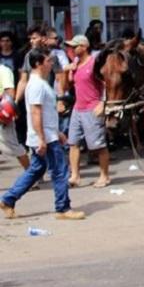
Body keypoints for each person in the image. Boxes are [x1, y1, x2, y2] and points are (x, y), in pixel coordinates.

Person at [0, 49, 85, 220]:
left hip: (47, 134)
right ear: (38, 63)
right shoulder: (37, 85)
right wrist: (42, 138)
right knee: (60, 171)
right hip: (45, 137)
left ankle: (8, 199)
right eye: (48, 60)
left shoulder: (40, 83)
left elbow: (46, 114)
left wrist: (57, 132)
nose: (51, 63)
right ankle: (63, 208)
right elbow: (35, 113)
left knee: (36, 170)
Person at [64, 35, 111, 188]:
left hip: (92, 107)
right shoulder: (75, 63)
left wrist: (103, 103)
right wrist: (67, 72)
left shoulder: (94, 63)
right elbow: (67, 86)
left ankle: (104, 176)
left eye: (75, 46)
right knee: (73, 142)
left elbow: (108, 84)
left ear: (84, 46)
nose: (72, 49)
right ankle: (75, 176)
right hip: (78, 107)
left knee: (98, 145)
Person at [0, 64, 29, 170]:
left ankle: (32, 176)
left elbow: (10, 94)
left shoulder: (3, 71)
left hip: (2, 117)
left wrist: (5, 114)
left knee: (15, 149)